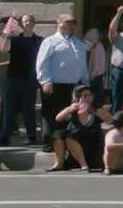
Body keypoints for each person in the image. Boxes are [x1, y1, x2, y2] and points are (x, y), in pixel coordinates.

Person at [35, 14, 89, 154]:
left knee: (69, 115)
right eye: (68, 22)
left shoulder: (79, 44)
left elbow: (82, 64)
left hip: (72, 86)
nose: (71, 25)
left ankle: (65, 144)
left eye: (73, 23)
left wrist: (85, 81)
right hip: (54, 84)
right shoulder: (50, 41)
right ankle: (49, 144)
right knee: (50, 115)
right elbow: (42, 63)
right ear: (59, 23)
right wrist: (45, 81)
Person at [0, 15, 43, 148]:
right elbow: (3, 50)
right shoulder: (14, 39)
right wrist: (6, 35)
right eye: (25, 21)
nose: (27, 23)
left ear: (34, 23)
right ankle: (4, 138)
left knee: (29, 108)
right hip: (12, 78)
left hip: (30, 79)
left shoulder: (39, 40)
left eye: (30, 21)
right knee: (8, 109)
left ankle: (32, 137)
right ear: (21, 24)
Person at [50, 85, 111, 172]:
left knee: (73, 136)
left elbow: (109, 118)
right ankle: (60, 163)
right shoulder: (73, 109)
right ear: (78, 97)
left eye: (90, 95)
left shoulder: (96, 108)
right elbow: (58, 118)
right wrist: (69, 109)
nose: (88, 97)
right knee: (58, 135)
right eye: (85, 96)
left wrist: (91, 109)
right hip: (74, 142)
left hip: (92, 142)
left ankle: (85, 164)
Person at [81, 28, 109, 107]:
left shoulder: (98, 46)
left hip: (95, 76)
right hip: (92, 76)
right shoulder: (89, 46)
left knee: (95, 99)